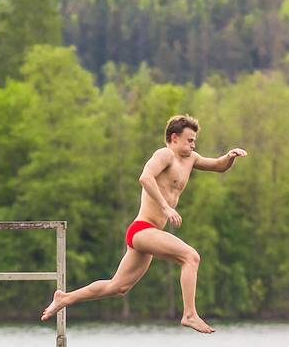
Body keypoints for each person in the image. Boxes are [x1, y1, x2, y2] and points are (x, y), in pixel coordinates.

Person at [41, 114, 246, 334]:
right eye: (189, 140)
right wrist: (166, 208)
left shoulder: (191, 159)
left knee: (118, 287)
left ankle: (65, 298)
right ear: (174, 138)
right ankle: (189, 314)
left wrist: (230, 156)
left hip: (150, 234)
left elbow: (218, 165)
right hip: (142, 229)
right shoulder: (164, 155)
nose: (193, 145)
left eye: (194, 141)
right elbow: (145, 177)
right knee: (191, 257)